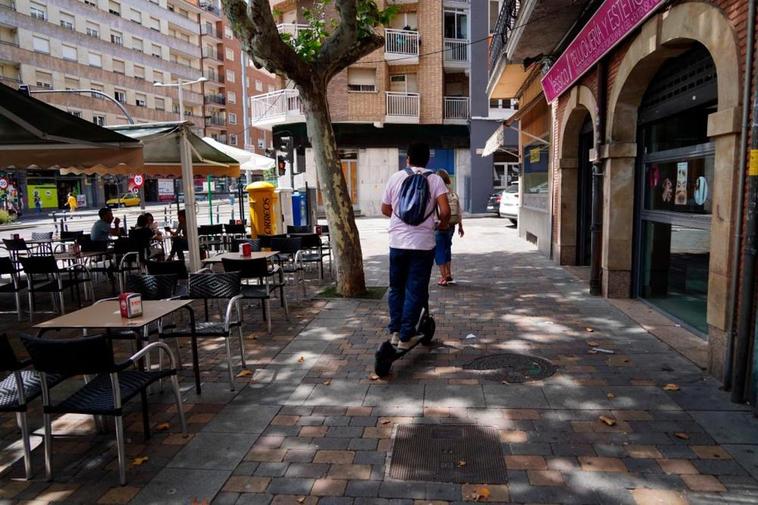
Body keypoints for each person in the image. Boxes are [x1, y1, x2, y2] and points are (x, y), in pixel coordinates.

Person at [381, 143, 450, 350]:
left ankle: (394, 331)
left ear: (407, 159)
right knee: (415, 289)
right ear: (428, 160)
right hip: (423, 244)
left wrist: (401, 216)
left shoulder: (396, 177)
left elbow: (385, 209)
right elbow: (445, 211)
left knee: (396, 288)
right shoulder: (435, 179)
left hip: (397, 243)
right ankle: (406, 334)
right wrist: (440, 225)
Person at [434, 169, 464, 286]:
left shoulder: (438, 193)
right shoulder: (453, 193)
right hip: (452, 225)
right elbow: (459, 211)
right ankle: (449, 274)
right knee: (447, 248)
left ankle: (443, 278)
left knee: (439, 250)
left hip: (440, 225)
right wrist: (460, 226)